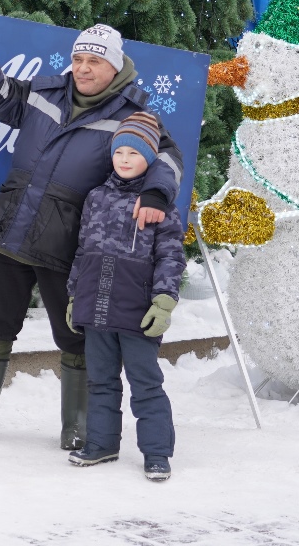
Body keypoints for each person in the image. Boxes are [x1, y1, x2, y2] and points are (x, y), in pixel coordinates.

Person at [0, 17, 183, 450]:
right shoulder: (44, 92)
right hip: (14, 225)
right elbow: (1, 97)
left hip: (69, 241)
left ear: (116, 66)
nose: (83, 68)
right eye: (78, 59)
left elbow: (167, 155)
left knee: (75, 331)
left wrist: (157, 195)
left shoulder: (133, 114)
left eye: (94, 61)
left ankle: (81, 423)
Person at [63, 113, 185, 481]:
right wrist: (74, 296)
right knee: (100, 380)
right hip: (96, 304)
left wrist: (164, 301)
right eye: (120, 152)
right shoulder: (96, 198)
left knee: (145, 383)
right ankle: (102, 444)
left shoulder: (160, 206)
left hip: (137, 310)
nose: (126, 159)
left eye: (135, 152)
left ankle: (157, 453)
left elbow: (171, 257)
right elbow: (83, 251)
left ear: (150, 157)